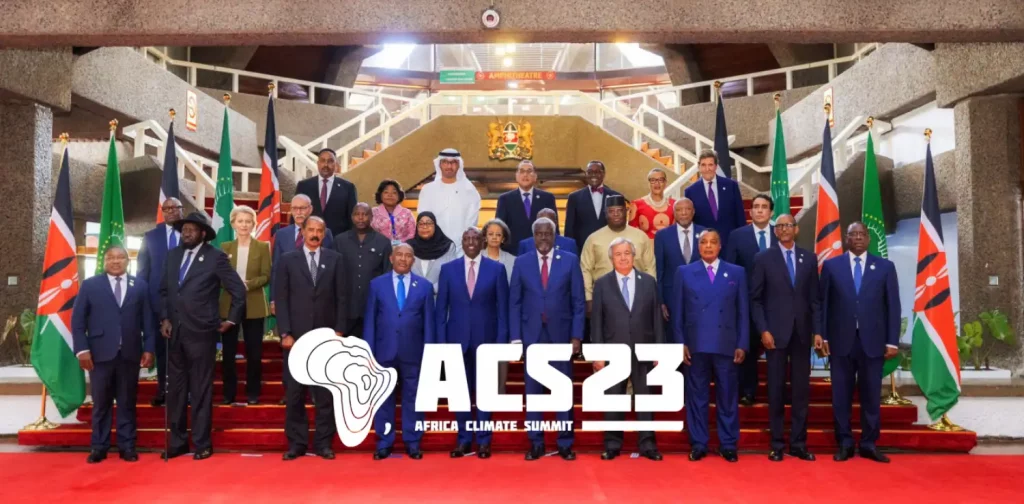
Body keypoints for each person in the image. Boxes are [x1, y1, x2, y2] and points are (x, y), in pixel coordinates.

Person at [159, 212, 246, 461]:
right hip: (173, 333)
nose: (186, 232)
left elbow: (238, 290)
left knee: (200, 390)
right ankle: (176, 443)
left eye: (191, 229)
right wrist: (164, 318)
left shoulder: (215, 257)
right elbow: (163, 291)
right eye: (184, 229)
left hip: (201, 334)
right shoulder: (173, 255)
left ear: (203, 234)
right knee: (175, 392)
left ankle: (202, 443)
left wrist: (230, 320)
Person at [818, 221, 900, 464]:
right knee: (840, 396)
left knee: (871, 396)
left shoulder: (885, 267)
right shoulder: (832, 266)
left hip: (873, 343)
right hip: (840, 342)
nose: (858, 238)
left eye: (862, 234)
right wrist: (822, 336)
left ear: (869, 238)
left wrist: (892, 341)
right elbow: (823, 304)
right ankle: (844, 443)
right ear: (846, 238)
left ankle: (868, 443)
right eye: (853, 234)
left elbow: (892, 307)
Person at [509, 217, 585, 461]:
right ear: (533, 237)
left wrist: (576, 335)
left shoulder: (570, 261)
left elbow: (578, 302)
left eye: (547, 234)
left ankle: (564, 442)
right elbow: (515, 303)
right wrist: (515, 338)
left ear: (554, 236)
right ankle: (536, 442)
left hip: (561, 336)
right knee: (533, 391)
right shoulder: (521, 263)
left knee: (563, 390)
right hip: (532, 336)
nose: (543, 238)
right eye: (539, 234)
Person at [72, 245, 156, 463]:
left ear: (128, 261)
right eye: (111, 258)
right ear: (104, 261)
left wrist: (149, 348)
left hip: (130, 354)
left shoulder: (140, 285)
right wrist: (82, 350)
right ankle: (99, 447)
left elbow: (148, 321)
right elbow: (78, 322)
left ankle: (127, 446)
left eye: (120, 258)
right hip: (99, 355)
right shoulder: (90, 285)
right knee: (101, 403)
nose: (116, 261)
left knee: (127, 402)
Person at [275, 216, 348, 461]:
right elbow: (281, 298)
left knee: (325, 395)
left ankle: (324, 443)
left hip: (326, 341)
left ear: (324, 234)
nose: (315, 234)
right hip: (295, 340)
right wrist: (284, 332)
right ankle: (296, 444)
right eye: (311, 230)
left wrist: (339, 331)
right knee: (295, 395)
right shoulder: (287, 260)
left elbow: (342, 298)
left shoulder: (335, 259)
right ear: (303, 232)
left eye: (319, 231)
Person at [750, 213, 819, 462]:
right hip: (774, 336)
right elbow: (755, 299)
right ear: (775, 231)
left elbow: (815, 300)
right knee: (776, 391)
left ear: (796, 229)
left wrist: (818, 331)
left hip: (802, 335)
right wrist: (763, 330)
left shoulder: (809, 259)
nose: (785, 229)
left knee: (801, 392)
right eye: (780, 226)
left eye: (789, 225)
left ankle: (798, 444)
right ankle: (777, 444)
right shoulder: (763, 258)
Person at [674, 229, 748, 463]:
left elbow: (743, 311)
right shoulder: (684, 272)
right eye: (703, 242)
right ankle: (699, 443)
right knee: (697, 397)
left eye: (713, 242)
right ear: (698, 247)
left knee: (727, 396)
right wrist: (680, 343)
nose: (708, 246)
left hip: (726, 344)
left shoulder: (736, 272)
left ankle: (727, 444)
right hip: (696, 344)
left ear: (720, 246)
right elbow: (677, 312)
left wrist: (743, 343)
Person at [435, 228, 509, 460]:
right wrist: (441, 344)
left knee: (485, 393)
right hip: (455, 340)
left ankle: (484, 441)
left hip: (487, 341)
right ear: (462, 242)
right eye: (466, 239)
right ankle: (464, 440)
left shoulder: (497, 269)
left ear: (482, 241)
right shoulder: (447, 270)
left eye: (475, 239)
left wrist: (501, 343)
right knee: (460, 394)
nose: (470, 242)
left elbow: (503, 311)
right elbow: (441, 311)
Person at [590, 238, 664, 461]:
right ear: (611, 258)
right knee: (614, 398)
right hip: (613, 351)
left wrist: (659, 351)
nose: (623, 257)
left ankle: (648, 444)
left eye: (627, 253)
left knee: (645, 398)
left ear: (634, 256)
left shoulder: (649, 282)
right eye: (618, 254)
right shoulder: (602, 284)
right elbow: (597, 322)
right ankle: (612, 444)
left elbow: (657, 319)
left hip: (644, 349)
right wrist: (598, 354)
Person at [365, 243, 436, 460]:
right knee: (383, 398)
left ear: (413, 260)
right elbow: (370, 321)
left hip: (413, 352)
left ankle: (413, 442)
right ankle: (385, 443)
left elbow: (429, 324)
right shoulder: (377, 285)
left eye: (408, 256)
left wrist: (430, 353)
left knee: (413, 398)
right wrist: (368, 353)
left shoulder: (423, 286)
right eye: (400, 255)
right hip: (383, 351)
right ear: (391, 258)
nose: (403, 259)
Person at [725, 193, 777, 406]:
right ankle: (748, 391)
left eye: (764, 207)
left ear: (771, 212)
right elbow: (729, 268)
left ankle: (776, 393)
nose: (759, 210)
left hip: (776, 304)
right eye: (755, 206)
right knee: (748, 348)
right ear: (750, 211)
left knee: (777, 352)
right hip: (746, 303)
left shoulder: (780, 233)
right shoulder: (737, 236)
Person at [219, 205, 271, 405]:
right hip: (229, 304)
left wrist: (248, 285)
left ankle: (253, 393)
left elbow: (266, 275)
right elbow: (220, 275)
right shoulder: (225, 247)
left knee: (254, 352)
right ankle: (228, 393)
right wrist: (235, 286)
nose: (244, 225)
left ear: (253, 224)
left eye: (248, 221)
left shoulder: (262, 246)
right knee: (228, 352)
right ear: (233, 223)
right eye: (240, 221)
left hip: (255, 303)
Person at [137, 197, 183, 407]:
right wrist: (141, 300)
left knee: (183, 351)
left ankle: (184, 391)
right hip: (157, 304)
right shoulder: (150, 237)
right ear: (162, 212)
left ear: (182, 210)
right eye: (167, 208)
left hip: (186, 304)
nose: (172, 211)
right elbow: (143, 271)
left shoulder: (191, 233)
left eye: (176, 208)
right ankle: (162, 391)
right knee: (163, 351)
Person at [580, 194, 655, 313]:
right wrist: (588, 298)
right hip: (604, 298)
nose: (615, 214)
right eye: (611, 211)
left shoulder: (641, 237)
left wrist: (650, 295)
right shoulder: (593, 239)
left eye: (619, 210)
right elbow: (586, 270)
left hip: (638, 297)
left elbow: (650, 267)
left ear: (626, 212)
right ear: (605, 213)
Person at [334, 203, 392, 337]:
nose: (361, 218)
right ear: (351, 217)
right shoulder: (339, 240)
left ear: (371, 217)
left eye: (365, 214)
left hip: (372, 306)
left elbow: (387, 274)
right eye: (357, 214)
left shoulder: (383, 242)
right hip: (346, 308)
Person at [271, 194, 334, 312]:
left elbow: (330, 267)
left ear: (310, 209)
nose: (298, 212)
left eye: (302, 208)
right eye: (294, 208)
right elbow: (276, 268)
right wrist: (273, 299)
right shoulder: (281, 234)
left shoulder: (325, 233)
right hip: (288, 296)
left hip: (316, 298)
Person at [416, 149, 481, 253]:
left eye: (453, 162)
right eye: (445, 162)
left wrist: (460, 246)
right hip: (433, 248)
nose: (449, 166)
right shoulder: (428, 190)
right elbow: (424, 220)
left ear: (459, 165)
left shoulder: (469, 191)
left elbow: (471, 224)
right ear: (439, 164)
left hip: (460, 250)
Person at [654, 198, 705, 326]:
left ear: (693, 212)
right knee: (675, 339)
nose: (683, 213)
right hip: (672, 298)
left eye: (687, 209)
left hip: (702, 297)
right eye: (679, 210)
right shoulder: (662, 236)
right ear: (674, 213)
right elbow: (659, 270)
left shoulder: (705, 233)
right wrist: (661, 301)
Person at [684, 150, 746, 251]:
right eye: (703, 165)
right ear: (698, 167)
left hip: (730, 243)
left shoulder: (731, 186)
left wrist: (742, 241)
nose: (707, 169)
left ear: (716, 166)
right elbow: (691, 223)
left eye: (710, 165)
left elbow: (740, 216)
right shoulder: (690, 191)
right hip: (706, 246)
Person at [495, 160, 558, 253]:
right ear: (516, 176)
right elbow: (499, 228)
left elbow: (554, 228)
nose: (525, 175)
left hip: (541, 252)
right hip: (513, 253)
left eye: (529, 171)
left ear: (535, 176)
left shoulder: (547, 198)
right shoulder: (505, 199)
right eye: (521, 171)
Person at [295, 148, 357, 237]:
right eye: (323, 161)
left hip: (337, 242)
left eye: (330, 161)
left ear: (336, 165)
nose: (326, 165)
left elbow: (352, 219)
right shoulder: (304, 186)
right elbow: (297, 214)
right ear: (318, 163)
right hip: (309, 239)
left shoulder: (348, 187)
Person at [564, 160, 622, 252]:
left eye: (597, 172)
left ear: (603, 174)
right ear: (586, 174)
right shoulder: (574, 197)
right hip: (583, 251)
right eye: (590, 172)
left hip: (608, 250)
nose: (593, 175)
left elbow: (620, 226)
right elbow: (569, 230)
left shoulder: (615, 196)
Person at [407, 212, 460, 293]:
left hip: (438, 298)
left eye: (429, 223)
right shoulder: (408, 246)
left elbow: (451, 274)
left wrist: (431, 288)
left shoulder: (448, 246)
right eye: (421, 224)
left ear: (435, 225)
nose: (425, 227)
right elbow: (403, 271)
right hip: (412, 296)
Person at [628, 167, 675, 239]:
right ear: (649, 183)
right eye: (653, 180)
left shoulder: (674, 204)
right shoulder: (637, 204)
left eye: (661, 180)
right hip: (646, 248)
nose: (657, 183)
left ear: (665, 183)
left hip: (668, 248)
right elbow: (632, 233)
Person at [370, 179, 415, 244]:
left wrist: (399, 244)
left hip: (402, 250)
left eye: (394, 192)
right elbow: (368, 234)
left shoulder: (407, 213)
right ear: (380, 195)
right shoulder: (373, 212)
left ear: (399, 195)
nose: (390, 195)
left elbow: (412, 234)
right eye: (386, 192)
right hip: (378, 249)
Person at [482, 218, 517, 283]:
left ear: (503, 239)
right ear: (485, 237)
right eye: (490, 234)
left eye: (498, 235)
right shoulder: (477, 258)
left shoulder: (513, 260)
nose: (494, 237)